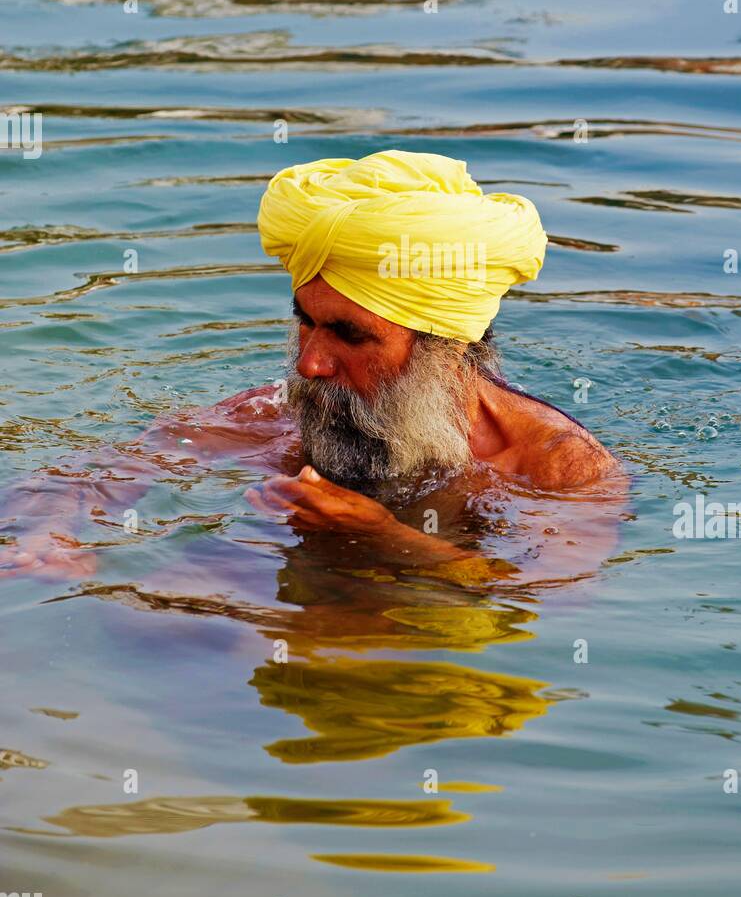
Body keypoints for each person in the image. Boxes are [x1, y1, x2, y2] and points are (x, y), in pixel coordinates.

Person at [0, 150, 623, 585]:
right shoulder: (284, 409)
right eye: (306, 320)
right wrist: (49, 536)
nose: (310, 362)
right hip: (298, 594)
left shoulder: (558, 465)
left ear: (445, 347)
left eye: (349, 335)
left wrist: (388, 536)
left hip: (423, 630)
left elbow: (546, 595)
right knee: (158, 611)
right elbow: (97, 473)